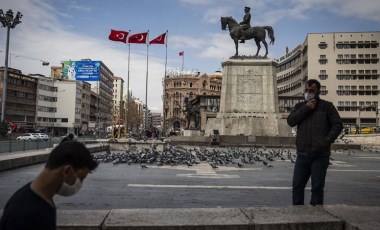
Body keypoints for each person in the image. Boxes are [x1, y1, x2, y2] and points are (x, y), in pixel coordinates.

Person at [0, 141, 98, 229]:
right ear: (67, 171)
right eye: (81, 178)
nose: (80, 183)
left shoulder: (40, 198)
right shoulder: (26, 216)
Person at [287, 79, 343, 205]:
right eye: (306, 90)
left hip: (320, 155)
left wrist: (326, 141)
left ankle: (316, 215)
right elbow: (291, 121)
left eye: (311, 91)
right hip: (302, 154)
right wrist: (306, 108)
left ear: (318, 92)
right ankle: (298, 213)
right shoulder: (299, 106)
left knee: (317, 188)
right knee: (297, 187)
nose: (308, 93)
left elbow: (338, 125)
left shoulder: (327, 107)